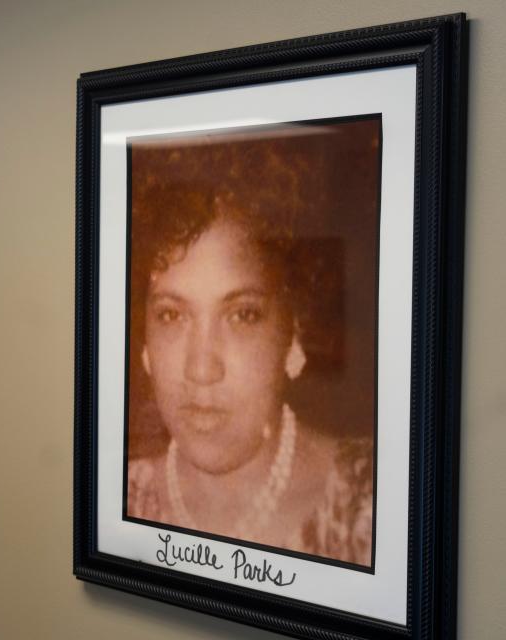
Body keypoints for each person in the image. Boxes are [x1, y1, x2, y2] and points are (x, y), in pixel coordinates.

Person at [125, 128, 374, 566]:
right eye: (171, 314)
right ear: (144, 341)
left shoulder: (375, 504)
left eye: (241, 315)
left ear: (293, 335)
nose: (201, 370)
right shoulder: (115, 495)